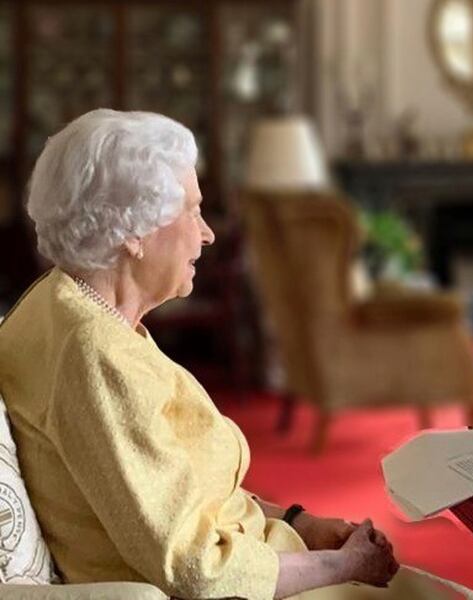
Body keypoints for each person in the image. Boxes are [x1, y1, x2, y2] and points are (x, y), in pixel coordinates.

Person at [0, 110, 400, 599]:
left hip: (261, 552)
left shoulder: (62, 304)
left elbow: (180, 496)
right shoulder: (95, 356)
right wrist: (343, 564)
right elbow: (195, 568)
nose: (206, 233)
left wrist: (302, 522)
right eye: (191, 211)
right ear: (134, 232)